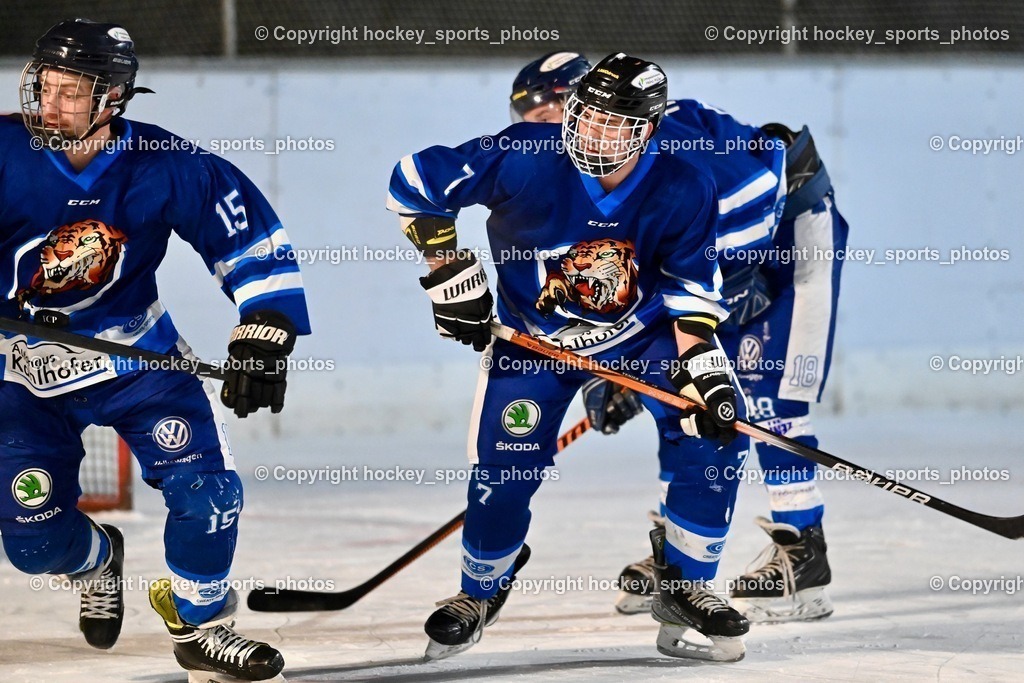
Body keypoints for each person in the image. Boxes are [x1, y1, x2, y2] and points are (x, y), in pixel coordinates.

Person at [389, 52, 752, 663]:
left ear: (647, 129)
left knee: (717, 431)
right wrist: (447, 269)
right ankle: (479, 590)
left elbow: (691, 290)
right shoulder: (526, 154)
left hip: (642, 338)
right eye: (584, 117)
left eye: (612, 124)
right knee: (504, 470)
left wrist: (705, 373)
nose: (590, 134)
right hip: (533, 343)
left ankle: (687, 584)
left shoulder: (684, 182)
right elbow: (414, 183)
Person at [1, 19, 310, 681]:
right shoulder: (3, 150)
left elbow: (249, 241)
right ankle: (96, 559)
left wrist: (265, 329)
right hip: (19, 373)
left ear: (111, 97)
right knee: (32, 543)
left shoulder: (166, 164)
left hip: (136, 359)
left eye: (68, 91)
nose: (47, 103)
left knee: (209, 491)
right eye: (44, 86)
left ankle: (202, 624)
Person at [509, 52, 848, 623]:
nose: (543, 118)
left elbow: (758, 190)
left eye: (557, 101)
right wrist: (613, 370)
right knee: (679, 395)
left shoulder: (673, 147)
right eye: (528, 108)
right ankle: (680, 550)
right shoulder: (574, 175)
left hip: (788, 231)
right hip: (724, 261)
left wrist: (737, 280)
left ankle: (803, 553)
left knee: (769, 396)